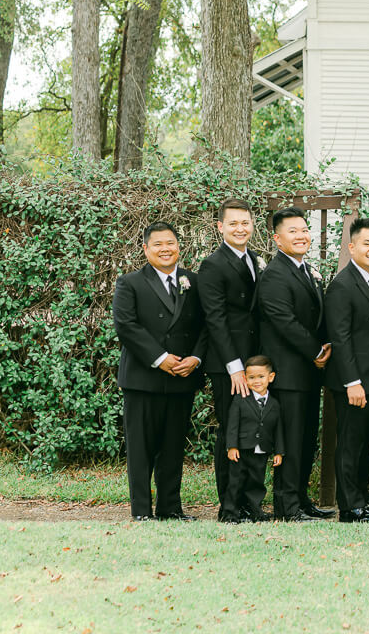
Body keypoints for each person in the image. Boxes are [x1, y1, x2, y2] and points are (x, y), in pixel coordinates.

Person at [112, 222, 207, 521]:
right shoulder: (129, 282)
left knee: (173, 448)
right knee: (140, 449)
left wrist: (196, 358)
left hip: (182, 378)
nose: (165, 249)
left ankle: (170, 508)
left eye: (170, 243)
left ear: (179, 246)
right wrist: (160, 358)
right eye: (158, 244)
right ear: (146, 248)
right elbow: (126, 326)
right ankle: (141, 511)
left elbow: (207, 324)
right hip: (144, 378)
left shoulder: (193, 280)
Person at [257, 207, 333, 521]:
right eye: (293, 231)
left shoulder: (306, 269)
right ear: (277, 238)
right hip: (288, 373)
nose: (301, 236)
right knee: (288, 443)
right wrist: (316, 350)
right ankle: (287, 506)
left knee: (305, 440)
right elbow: (284, 321)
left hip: (307, 374)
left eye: (304, 230)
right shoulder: (275, 274)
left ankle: (301, 500)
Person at [197, 198, 263, 523]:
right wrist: (234, 366)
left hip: (255, 364)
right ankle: (229, 507)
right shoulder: (213, 265)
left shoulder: (255, 260)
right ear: (220, 227)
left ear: (253, 225)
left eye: (245, 222)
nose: (240, 228)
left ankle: (250, 503)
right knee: (231, 433)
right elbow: (215, 319)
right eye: (233, 223)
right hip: (229, 366)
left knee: (253, 434)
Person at [325, 217, 369, 522]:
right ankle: (350, 507)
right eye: (367, 243)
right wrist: (353, 381)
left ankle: (363, 499)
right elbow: (341, 337)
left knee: (366, 444)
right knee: (351, 445)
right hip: (354, 382)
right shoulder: (342, 284)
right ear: (352, 247)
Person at [222, 355, 284, 524]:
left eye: (261, 376)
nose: (256, 381)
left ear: (270, 377)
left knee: (257, 483)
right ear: (245, 379)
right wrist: (232, 446)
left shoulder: (274, 404)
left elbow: (278, 429)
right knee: (235, 483)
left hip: (262, 449)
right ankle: (230, 514)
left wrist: (279, 451)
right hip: (242, 450)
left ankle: (255, 512)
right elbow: (232, 426)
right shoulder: (240, 400)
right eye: (251, 377)